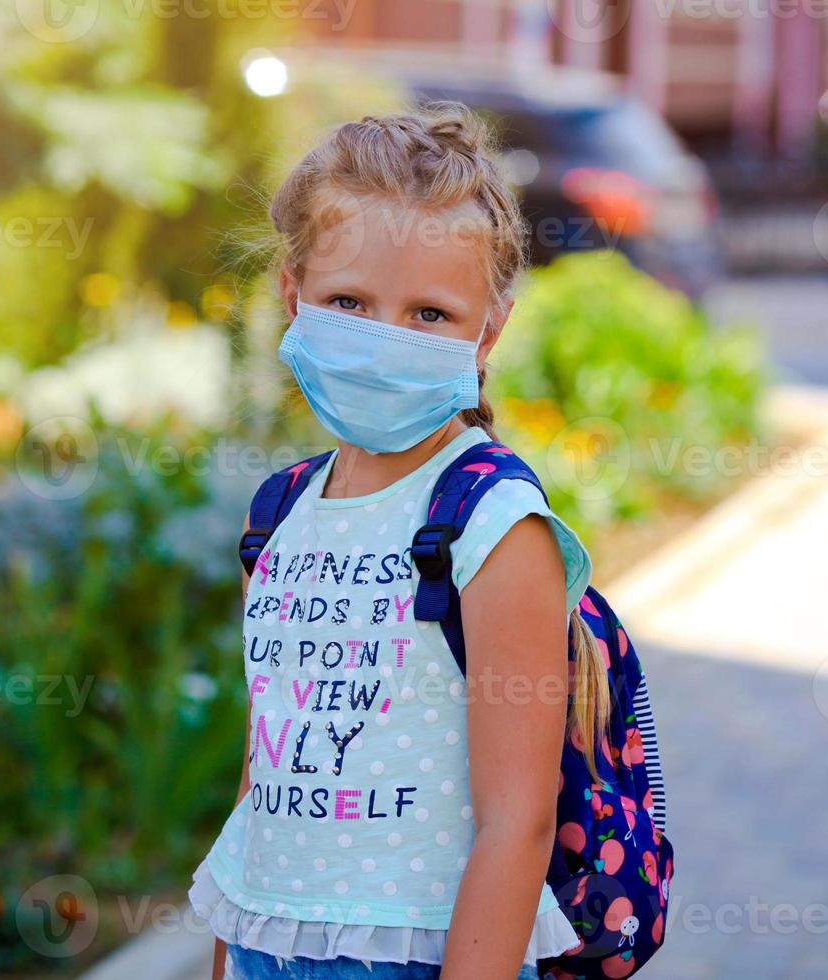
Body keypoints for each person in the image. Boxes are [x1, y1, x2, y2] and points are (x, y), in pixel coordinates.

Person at [191, 104, 601, 979]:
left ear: (488, 330)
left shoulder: (493, 524)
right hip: (270, 944)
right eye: (348, 303)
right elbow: (266, 765)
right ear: (290, 294)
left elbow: (516, 822)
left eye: (428, 314)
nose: (383, 341)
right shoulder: (280, 512)